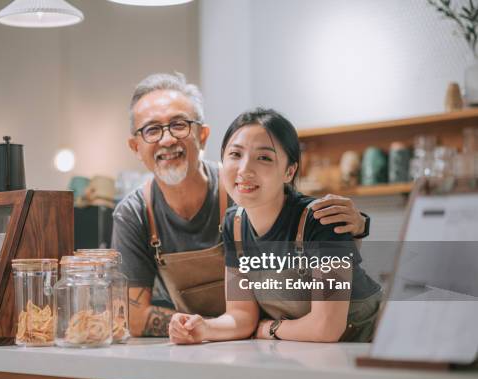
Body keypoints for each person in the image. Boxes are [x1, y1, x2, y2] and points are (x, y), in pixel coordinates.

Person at [111, 73, 371, 337]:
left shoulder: (262, 197)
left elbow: (327, 319)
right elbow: (240, 316)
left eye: (179, 125)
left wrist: (358, 226)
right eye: (152, 129)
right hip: (262, 345)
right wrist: (203, 329)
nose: (167, 140)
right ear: (135, 146)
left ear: (203, 136)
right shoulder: (141, 215)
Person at [168, 108, 382, 344]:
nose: (244, 169)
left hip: (372, 348)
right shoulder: (235, 224)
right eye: (235, 154)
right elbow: (241, 315)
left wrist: (269, 328)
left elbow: (326, 327)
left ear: (289, 171)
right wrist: (203, 328)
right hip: (307, 355)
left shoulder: (320, 219)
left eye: (264, 158)